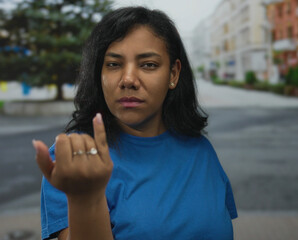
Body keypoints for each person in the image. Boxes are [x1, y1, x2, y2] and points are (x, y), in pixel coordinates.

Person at [32, 6, 238, 240]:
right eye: (113, 64)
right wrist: (86, 200)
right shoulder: (76, 160)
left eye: (148, 64)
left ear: (173, 74)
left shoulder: (201, 150)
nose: (128, 79)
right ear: (98, 75)